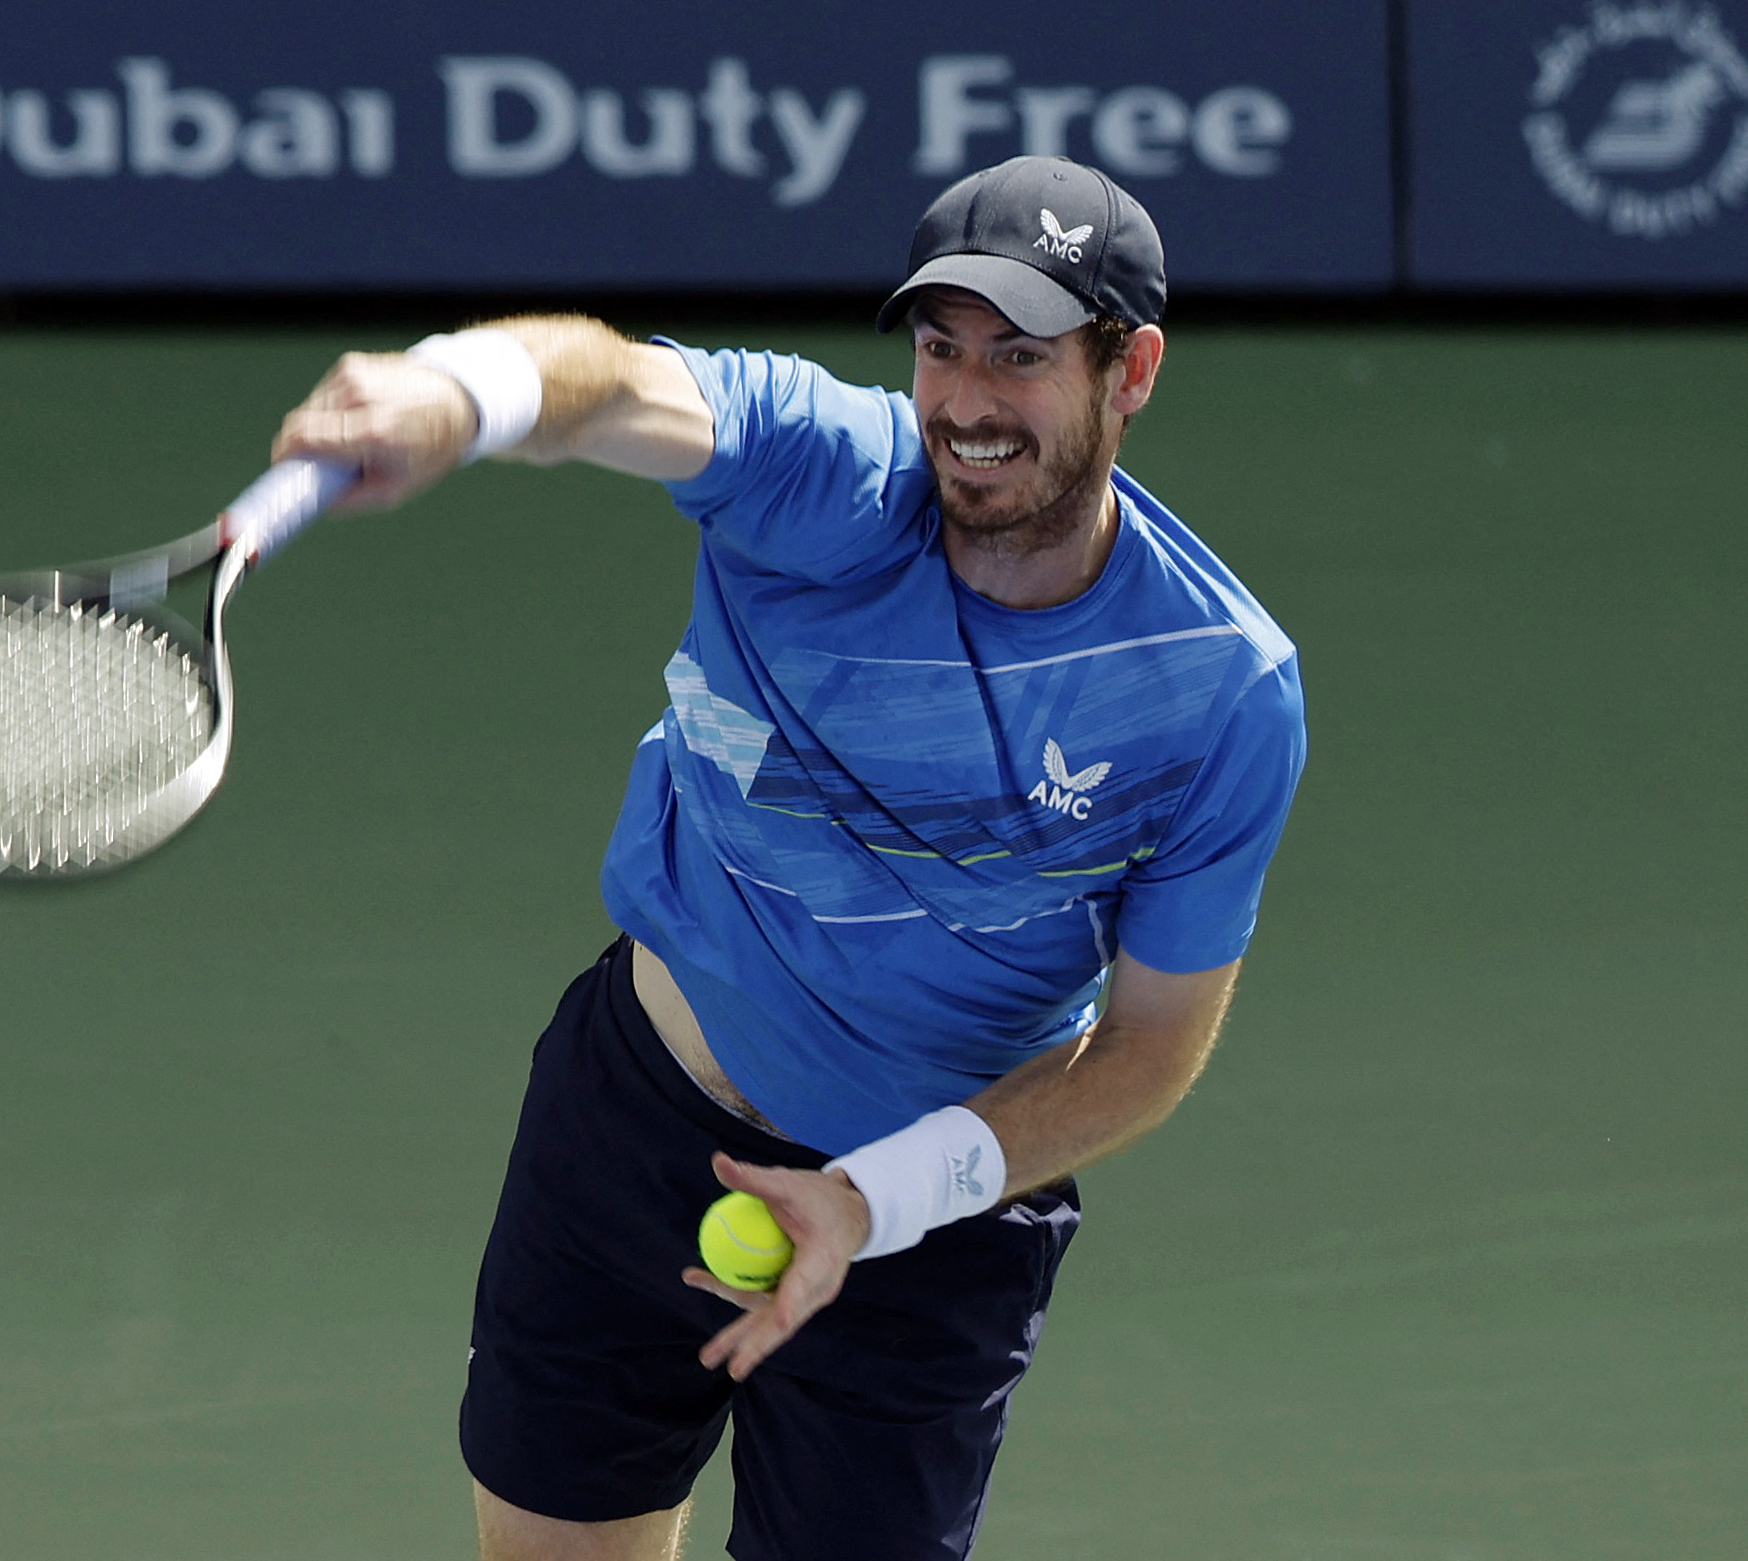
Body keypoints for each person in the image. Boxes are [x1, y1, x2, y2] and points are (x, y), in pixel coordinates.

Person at [272, 156, 1306, 1561]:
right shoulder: (824, 467)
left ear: (1132, 371)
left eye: (1022, 357)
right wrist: (455, 391)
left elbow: (1149, 1045)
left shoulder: (1215, 687)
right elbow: (610, 384)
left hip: (929, 1218)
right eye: (942, 349)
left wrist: (876, 1201)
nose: (967, 402)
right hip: (630, 1123)